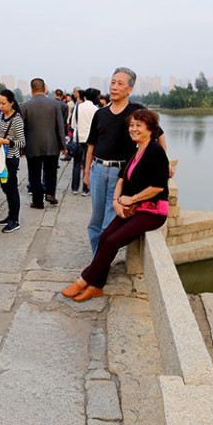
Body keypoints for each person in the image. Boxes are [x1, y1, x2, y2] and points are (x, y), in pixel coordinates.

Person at [63, 109, 169, 301]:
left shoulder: (156, 151)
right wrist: (116, 202)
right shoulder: (137, 150)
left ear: (151, 129)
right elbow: (121, 180)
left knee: (113, 241)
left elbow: (157, 187)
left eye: (139, 125)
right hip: (131, 208)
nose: (133, 129)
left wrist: (133, 199)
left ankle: (84, 280)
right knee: (104, 237)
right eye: (132, 125)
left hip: (152, 212)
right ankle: (97, 286)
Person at [84, 67, 167, 255]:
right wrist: (87, 173)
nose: (114, 87)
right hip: (98, 169)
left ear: (129, 89)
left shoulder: (137, 111)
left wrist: (165, 163)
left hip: (121, 173)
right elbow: (91, 146)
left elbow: (159, 136)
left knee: (110, 220)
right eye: (113, 82)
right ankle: (97, 258)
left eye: (120, 84)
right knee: (95, 220)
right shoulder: (101, 114)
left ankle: (99, 263)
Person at [21, 78, 65, 209]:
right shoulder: (55, 105)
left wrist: (22, 146)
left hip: (33, 146)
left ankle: (38, 201)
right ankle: (50, 193)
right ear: (45, 89)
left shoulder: (25, 106)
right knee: (51, 171)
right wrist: (63, 145)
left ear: (32, 89)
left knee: (34, 174)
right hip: (52, 145)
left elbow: (22, 128)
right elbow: (60, 127)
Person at [0, 89, 25, 233]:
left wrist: (5, 141)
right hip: (1, 158)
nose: (0, 106)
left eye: (3, 103)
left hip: (11, 158)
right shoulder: (1, 115)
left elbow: (22, 142)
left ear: (11, 103)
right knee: (5, 188)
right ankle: (10, 215)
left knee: (12, 189)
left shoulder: (16, 119)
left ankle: (15, 220)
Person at [70, 88, 99, 195]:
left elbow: (73, 124)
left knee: (76, 164)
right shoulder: (95, 109)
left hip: (78, 138)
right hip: (90, 139)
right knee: (88, 163)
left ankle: (74, 188)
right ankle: (85, 189)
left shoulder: (77, 107)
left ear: (85, 97)